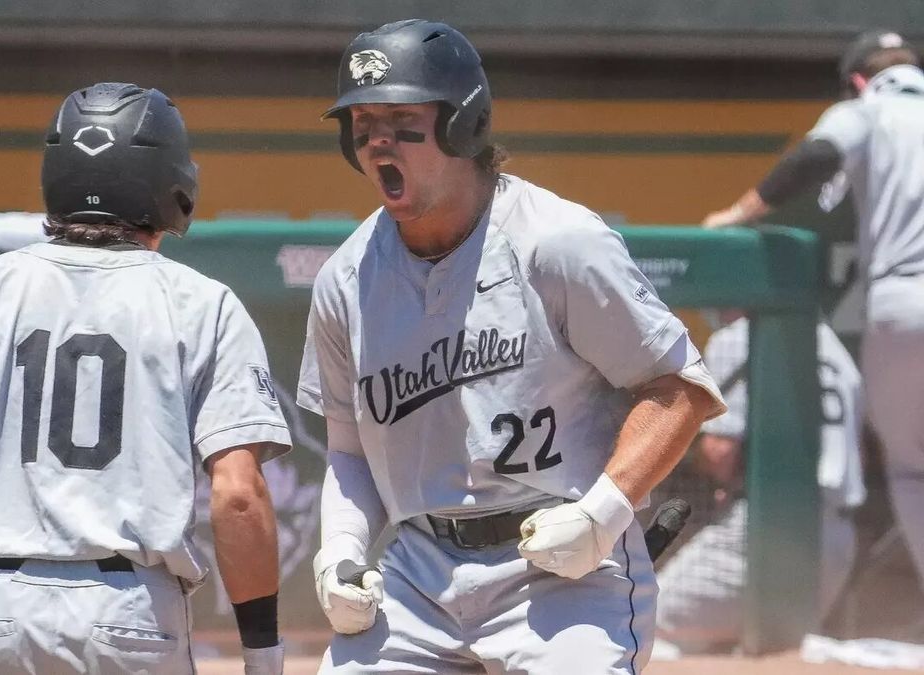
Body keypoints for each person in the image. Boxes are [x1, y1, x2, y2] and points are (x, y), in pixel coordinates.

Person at [297, 19, 726, 674]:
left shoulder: (556, 243)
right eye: (362, 122)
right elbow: (349, 450)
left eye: (402, 118)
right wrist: (343, 550)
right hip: (417, 572)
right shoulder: (346, 280)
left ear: (462, 124)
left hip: (562, 567)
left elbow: (679, 392)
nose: (378, 138)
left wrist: (602, 515)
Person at [0, 82, 291, 675]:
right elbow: (239, 494)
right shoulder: (203, 304)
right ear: (170, 182)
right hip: (131, 615)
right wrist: (262, 653)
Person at [702, 30, 924, 597]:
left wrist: (737, 213)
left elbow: (819, 155)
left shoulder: (868, 108)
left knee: (911, 468)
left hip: (907, 300)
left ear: (858, 80)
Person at [653, 312, 865, 657]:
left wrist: (687, 455)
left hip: (765, 535)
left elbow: (720, 451)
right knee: (770, 650)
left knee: (640, 622)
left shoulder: (738, 337)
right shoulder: (833, 345)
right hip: (837, 540)